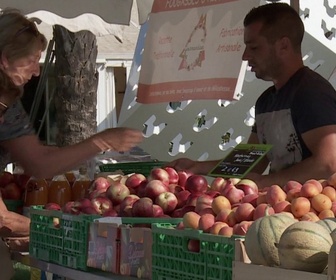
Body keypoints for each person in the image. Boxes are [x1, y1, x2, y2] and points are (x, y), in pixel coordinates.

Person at [0, 8, 143, 278]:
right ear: (5, 59)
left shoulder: (10, 106)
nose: (36, 71)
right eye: (31, 60)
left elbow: (39, 162)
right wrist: (52, 233)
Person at [168, 2, 336, 190]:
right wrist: (196, 166)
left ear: (283, 46)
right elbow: (253, 161)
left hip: (315, 215)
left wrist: (265, 182)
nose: (245, 56)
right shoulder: (265, 102)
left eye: (254, 47)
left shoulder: (312, 93)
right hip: (278, 210)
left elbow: (329, 163)